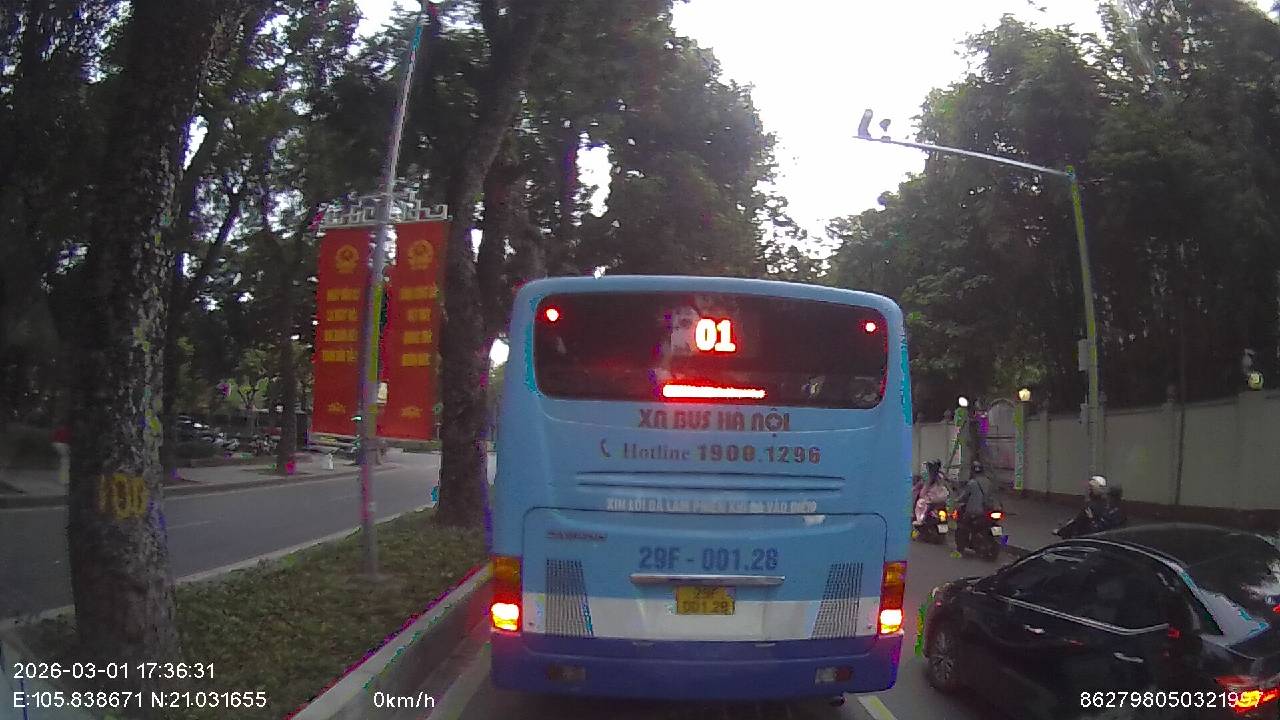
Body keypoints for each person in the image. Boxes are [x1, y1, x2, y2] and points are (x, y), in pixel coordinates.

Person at [914, 460, 948, 525]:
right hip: (940, 501)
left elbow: (923, 491)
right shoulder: (940, 478)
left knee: (920, 502)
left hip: (933, 501)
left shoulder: (931, 479)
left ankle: (920, 520)